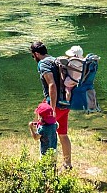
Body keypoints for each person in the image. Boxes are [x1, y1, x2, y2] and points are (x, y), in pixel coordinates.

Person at [30, 40, 72, 170]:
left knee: (44, 134)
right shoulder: (55, 60)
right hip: (65, 103)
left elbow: (52, 85)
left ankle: (47, 165)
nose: (33, 58)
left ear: (36, 54)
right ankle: (67, 164)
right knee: (63, 134)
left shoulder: (43, 64)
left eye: (32, 56)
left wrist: (52, 109)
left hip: (54, 106)